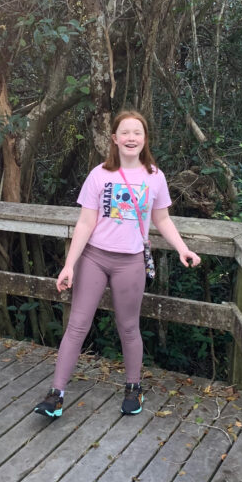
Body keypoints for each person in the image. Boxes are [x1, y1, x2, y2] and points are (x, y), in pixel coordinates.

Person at [34, 110, 201, 419]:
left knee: (128, 327)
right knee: (77, 326)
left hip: (131, 262)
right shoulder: (99, 175)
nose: (131, 138)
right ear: (114, 138)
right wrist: (69, 265)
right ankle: (56, 395)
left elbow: (162, 219)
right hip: (95, 258)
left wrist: (182, 249)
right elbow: (85, 223)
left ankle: (133, 388)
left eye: (137, 133)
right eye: (124, 133)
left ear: (145, 138)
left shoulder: (155, 177)